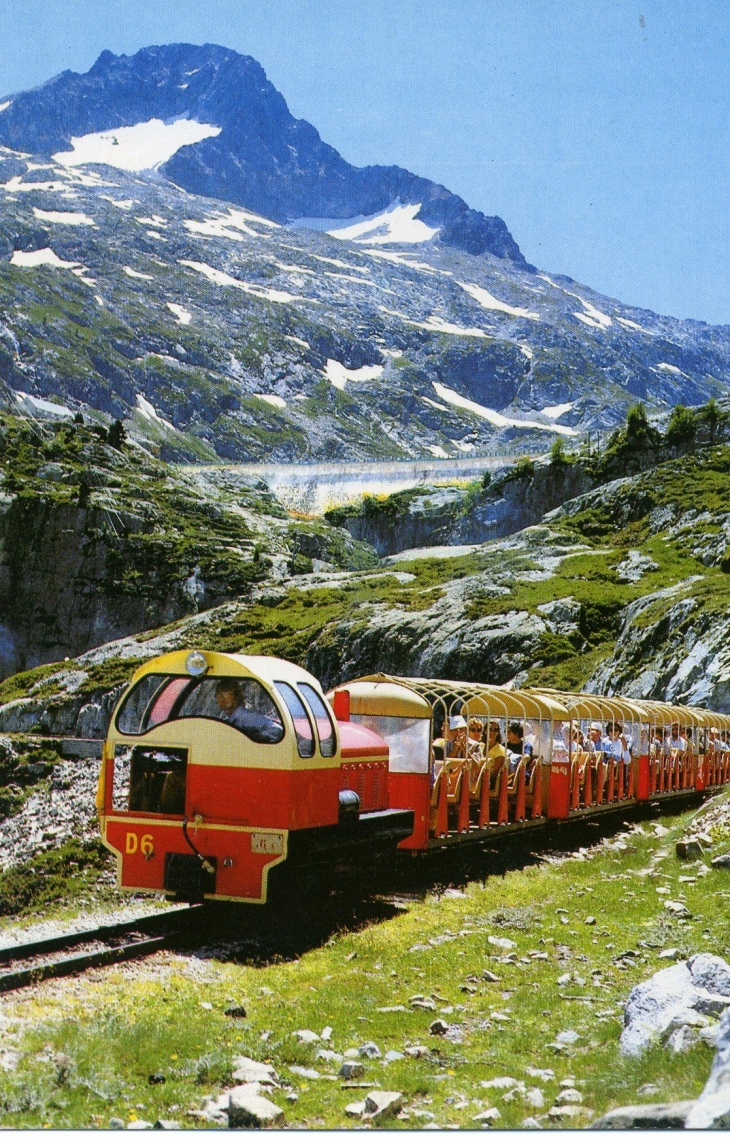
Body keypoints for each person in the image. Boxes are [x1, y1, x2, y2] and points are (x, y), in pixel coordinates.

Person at [215, 679, 283, 743]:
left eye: (225, 693)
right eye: (218, 694)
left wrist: (257, 739)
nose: (220, 697)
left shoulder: (245, 717)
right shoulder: (228, 719)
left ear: (236, 696)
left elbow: (276, 728)